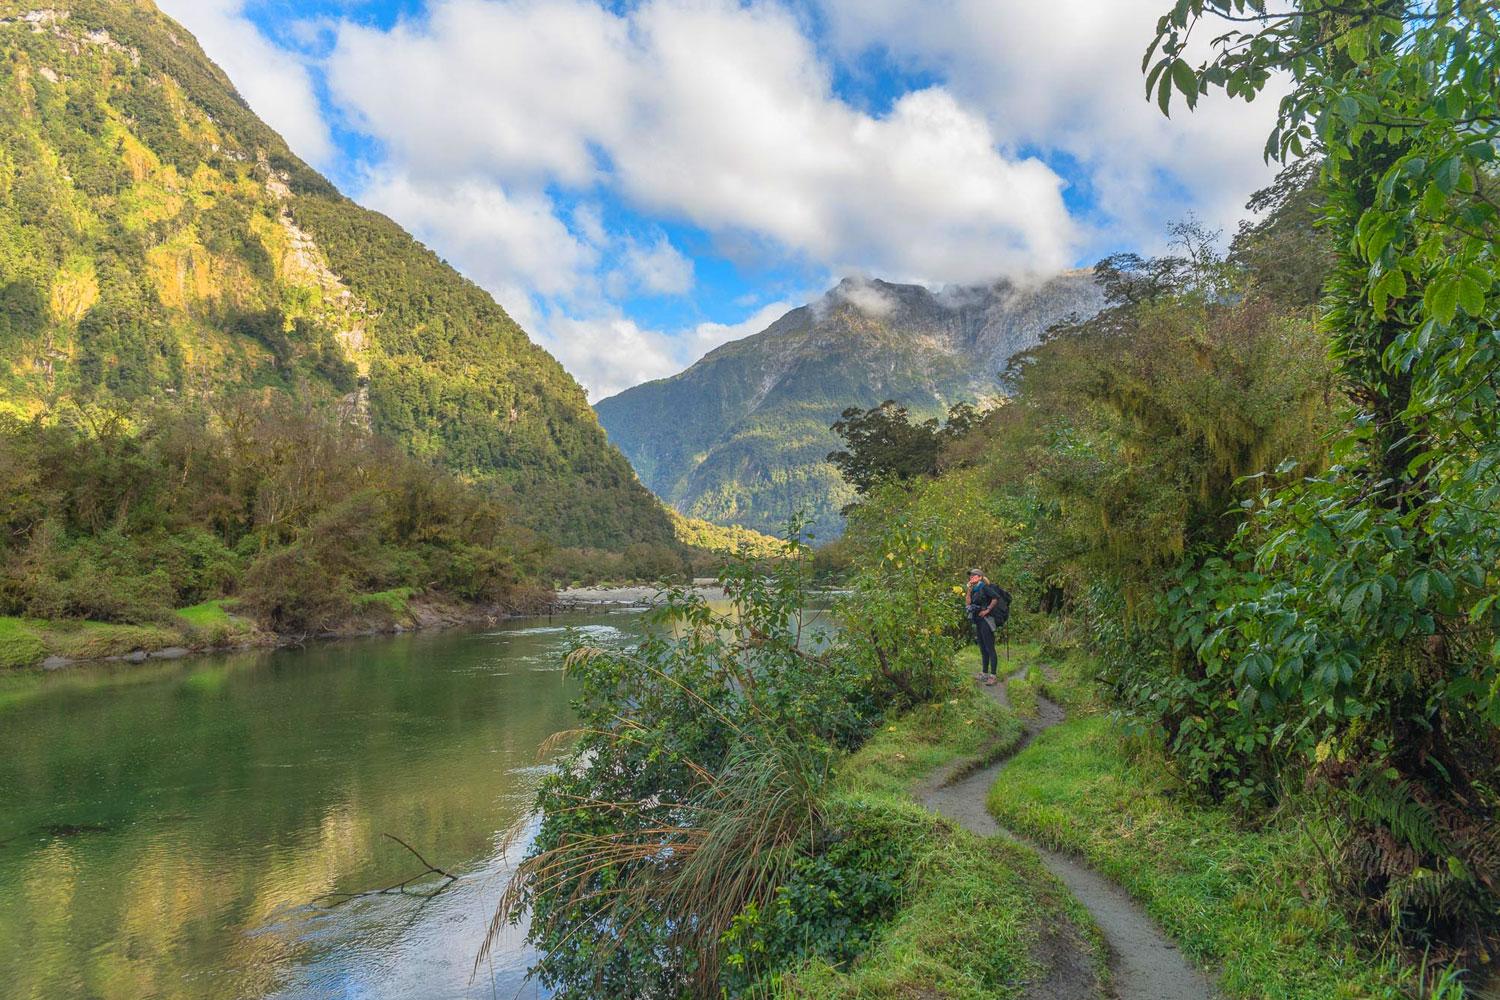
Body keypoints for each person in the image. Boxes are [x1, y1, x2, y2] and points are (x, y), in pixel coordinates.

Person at [965, 568, 1009, 685]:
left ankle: (993, 676)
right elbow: (968, 603)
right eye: (970, 576)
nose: (971, 577)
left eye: (974, 576)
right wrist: (969, 590)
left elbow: (996, 598)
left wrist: (987, 610)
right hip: (978, 621)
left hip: (986, 621)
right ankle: (984, 674)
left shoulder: (984, 587)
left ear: (980, 577)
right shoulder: (973, 589)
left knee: (990, 648)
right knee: (982, 648)